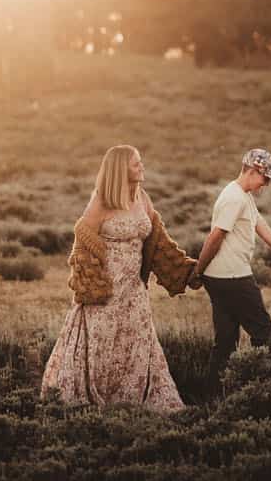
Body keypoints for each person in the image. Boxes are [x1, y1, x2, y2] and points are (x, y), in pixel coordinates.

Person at [40, 144, 201, 412]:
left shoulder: (142, 197)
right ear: (120, 168)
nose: (142, 167)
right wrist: (88, 284)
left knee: (137, 345)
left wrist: (183, 269)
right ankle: (93, 404)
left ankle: (130, 403)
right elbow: (83, 239)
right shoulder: (102, 200)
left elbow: (157, 241)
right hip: (106, 289)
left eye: (140, 162)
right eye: (136, 163)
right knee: (102, 345)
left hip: (134, 290)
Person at [191, 147, 271, 377]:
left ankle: (215, 395)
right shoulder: (234, 198)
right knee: (263, 331)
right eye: (265, 178)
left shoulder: (244, 196)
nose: (267, 184)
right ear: (253, 171)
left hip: (220, 277)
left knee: (225, 340)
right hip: (233, 277)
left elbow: (266, 231)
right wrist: (197, 271)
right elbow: (215, 236)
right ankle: (260, 388)